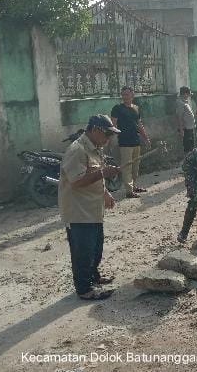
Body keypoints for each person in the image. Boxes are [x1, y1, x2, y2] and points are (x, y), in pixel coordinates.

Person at [59, 115, 121, 300]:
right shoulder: (77, 150)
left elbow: (94, 174)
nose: (108, 139)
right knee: (82, 251)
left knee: (96, 247)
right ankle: (85, 289)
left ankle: (94, 277)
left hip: (92, 209)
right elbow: (77, 181)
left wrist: (105, 194)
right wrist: (103, 172)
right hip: (78, 211)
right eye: (107, 134)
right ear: (95, 130)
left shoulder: (95, 148)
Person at [111, 86, 151, 199]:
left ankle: (133, 186)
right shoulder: (117, 108)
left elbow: (139, 125)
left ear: (132, 95)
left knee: (135, 167)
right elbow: (113, 124)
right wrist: (111, 139)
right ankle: (129, 191)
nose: (125, 97)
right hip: (124, 142)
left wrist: (146, 138)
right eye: (123, 94)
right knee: (127, 167)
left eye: (127, 94)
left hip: (136, 141)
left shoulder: (136, 108)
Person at [175, 86, 196, 155]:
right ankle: (187, 161)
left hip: (190, 127)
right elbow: (179, 117)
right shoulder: (180, 103)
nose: (189, 96)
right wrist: (181, 129)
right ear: (184, 94)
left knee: (191, 146)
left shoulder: (185, 102)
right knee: (187, 147)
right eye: (188, 94)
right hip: (186, 128)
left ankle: (190, 160)